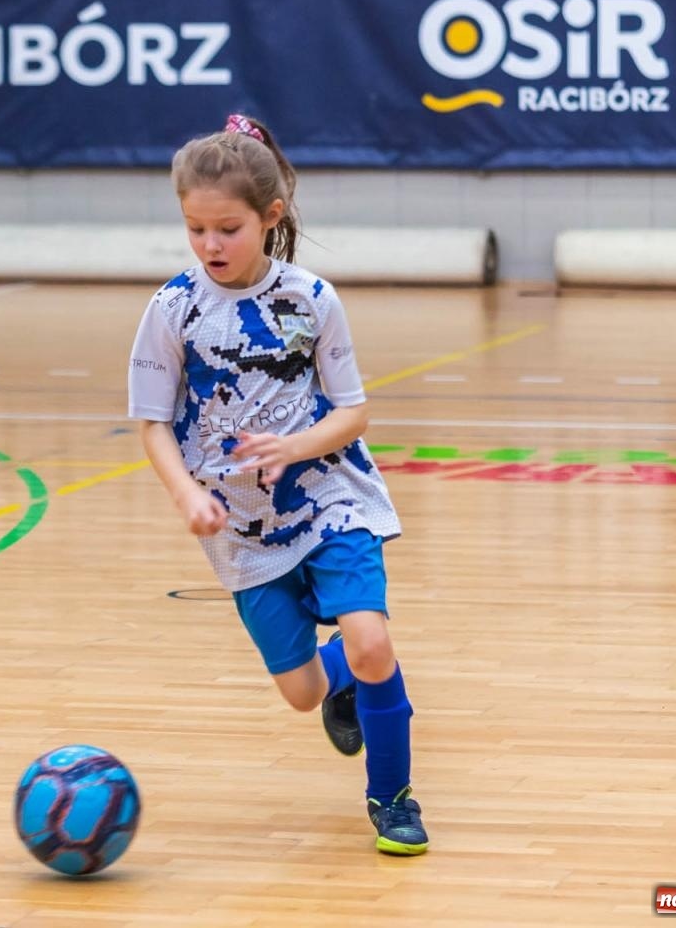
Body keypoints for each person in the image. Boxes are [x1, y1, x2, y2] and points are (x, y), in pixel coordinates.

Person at [126, 113, 427, 856]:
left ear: (270, 217)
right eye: (195, 230)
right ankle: (337, 676)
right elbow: (151, 423)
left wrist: (296, 445)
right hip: (239, 524)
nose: (209, 246)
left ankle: (392, 799)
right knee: (303, 696)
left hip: (329, 494)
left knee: (372, 645)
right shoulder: (172, 309)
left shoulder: (313, 300)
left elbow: (354, 412)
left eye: (226, 229)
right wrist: (187, 495)